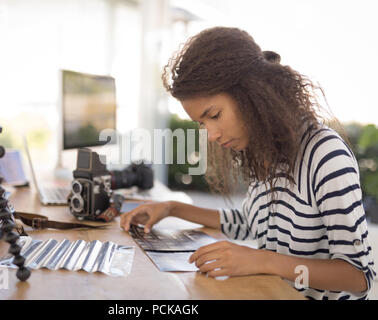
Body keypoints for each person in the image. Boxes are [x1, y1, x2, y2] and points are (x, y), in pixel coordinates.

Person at [120, 27, 376, 300]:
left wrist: (263, 261)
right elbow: (250, 223)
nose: (213, 135)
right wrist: (172, 208)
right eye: (202, 124)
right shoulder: (263, 150)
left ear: (252, 94)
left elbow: (358, 277)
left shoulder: (325, 155)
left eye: (215, 115)